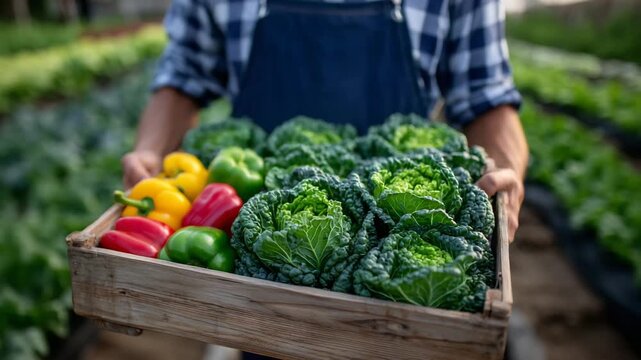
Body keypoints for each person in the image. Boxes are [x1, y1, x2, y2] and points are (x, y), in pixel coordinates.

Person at [122, 0, 528, 242]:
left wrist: (507, 171)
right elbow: (183, 76)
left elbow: (485, 95)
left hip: (401, 230)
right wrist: (150, 149)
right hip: (261, 233)